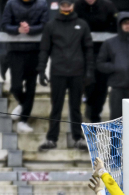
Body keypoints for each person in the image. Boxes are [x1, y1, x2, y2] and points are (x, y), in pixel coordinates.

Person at [36, 0, 94, 152]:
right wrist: (41, 71)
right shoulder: (51, 25)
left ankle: (78, 138)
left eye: (69, 5)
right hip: (58, 72)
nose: (66, 7)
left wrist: (89, 71)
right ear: (59, 6)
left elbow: (88, 50)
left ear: (73, 6)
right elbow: (44, 50)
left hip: (77, 73)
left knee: (76, 107)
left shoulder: (82, 24)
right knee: (56, 106)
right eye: (63, 5)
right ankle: (51, 138)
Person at [2, 0, 49, 134]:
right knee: (15, 86)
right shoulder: (11, 3)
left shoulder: (42, 4)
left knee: (31, 86)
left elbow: (45, 24)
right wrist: (18, 29)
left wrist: (30, 29)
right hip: (15, 51)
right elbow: (4, 25)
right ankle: (23, 104)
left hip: (34, 51)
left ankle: (23, 120)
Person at [75, 0, 118, 123]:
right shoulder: (78, 6)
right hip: (83, 51)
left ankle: (95, 115)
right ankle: (89, 105)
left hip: (103, 51)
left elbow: (116, 24)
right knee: (89, 84)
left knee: (102, 87)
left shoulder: (108, 6)